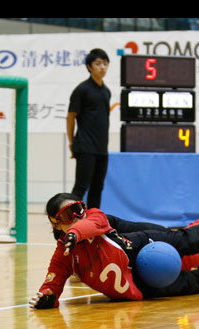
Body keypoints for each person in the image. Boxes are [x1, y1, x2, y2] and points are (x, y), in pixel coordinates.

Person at [29, 193, 199, 309]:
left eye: (79, 209)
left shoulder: (93, 217)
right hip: (136, 286)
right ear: (54, 222)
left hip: (138, 246)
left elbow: (92, 224)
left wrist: (75, 231)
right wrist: (47, 297)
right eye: (68, 215)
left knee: (184, 239)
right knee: (184, 286)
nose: (77, 216)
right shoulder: (64, 255)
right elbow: (54, 278)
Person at [66, 48, 111, 209]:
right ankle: (69, 220)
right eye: (98, 63)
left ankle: (93, 223)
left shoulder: (106, 91)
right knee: (80, 188)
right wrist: (72, 142)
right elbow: (71, 117)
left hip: (102, 149)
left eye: (105, 64)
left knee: (97, 188)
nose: (102, 67)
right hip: (85, 147)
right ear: (89, 66)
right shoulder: (82, 90)